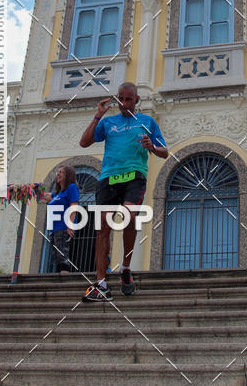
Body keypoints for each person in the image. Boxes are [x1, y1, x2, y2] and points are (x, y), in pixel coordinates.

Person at [79, 82, 168, 300]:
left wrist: (151, 147)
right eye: (120, 98)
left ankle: (125, 268)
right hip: (108, 177)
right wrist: (98, 115)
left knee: (129, 216)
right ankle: (101, 283)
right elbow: (84, 143)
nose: (124, 103)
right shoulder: (108, 122)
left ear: (137, 100)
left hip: (134, 176)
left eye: (129, 99)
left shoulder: (147, 121)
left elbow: (164, 152)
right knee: (103, 229)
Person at [41, 165, 79, 273]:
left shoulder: (71, 188)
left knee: (63, 257)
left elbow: (74, 206)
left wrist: (70, 225)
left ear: (68, 175)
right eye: (57, 172)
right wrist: (30, 188)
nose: (58, 174)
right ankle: (60, 277)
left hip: (63, 228)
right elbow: (45, 196)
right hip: (55, 230)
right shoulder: (58, 194)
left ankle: (64, 280)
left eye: (61, 172)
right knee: (57, 257)